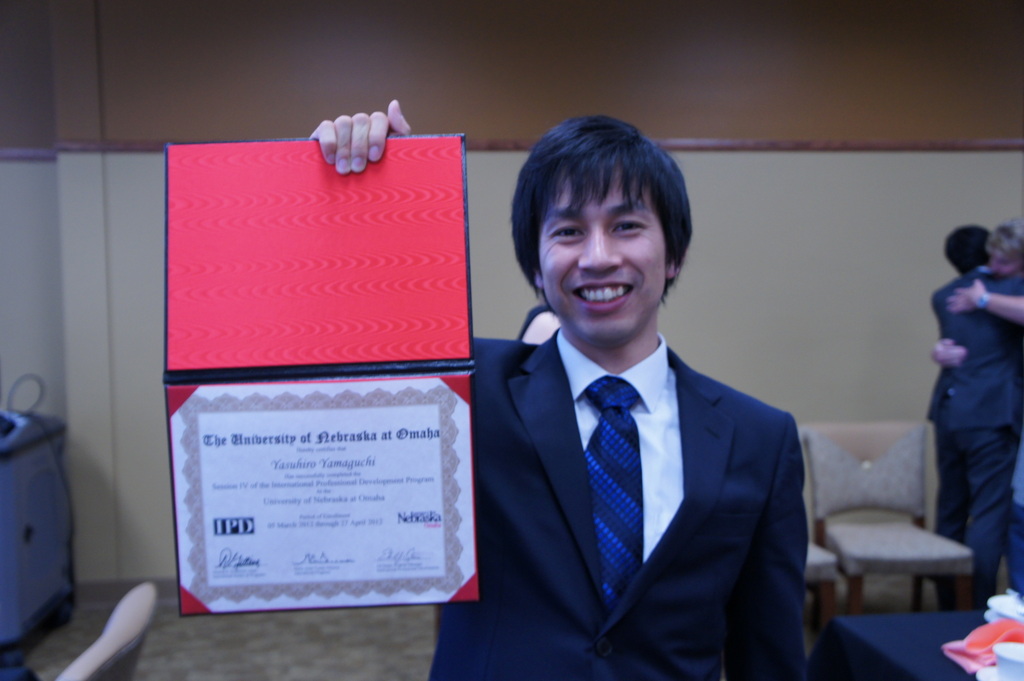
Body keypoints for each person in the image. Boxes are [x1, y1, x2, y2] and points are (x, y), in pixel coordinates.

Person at [312, 102, 807, 680]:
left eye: (626, 226)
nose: (598, 258)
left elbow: (769, 656)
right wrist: (371, 192)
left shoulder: (759, 439)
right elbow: (342, 359)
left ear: (674, 253)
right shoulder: (465, 395)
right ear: (535, 267)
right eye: (569, 231)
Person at [928, 218, 1024, 609]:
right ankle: (978, 604)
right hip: (991, 415)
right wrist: (986, 298)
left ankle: (946, 602)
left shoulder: (944, 295)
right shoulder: (1010, 291)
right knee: (988, 513)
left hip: (950, 411)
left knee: (951, 508)